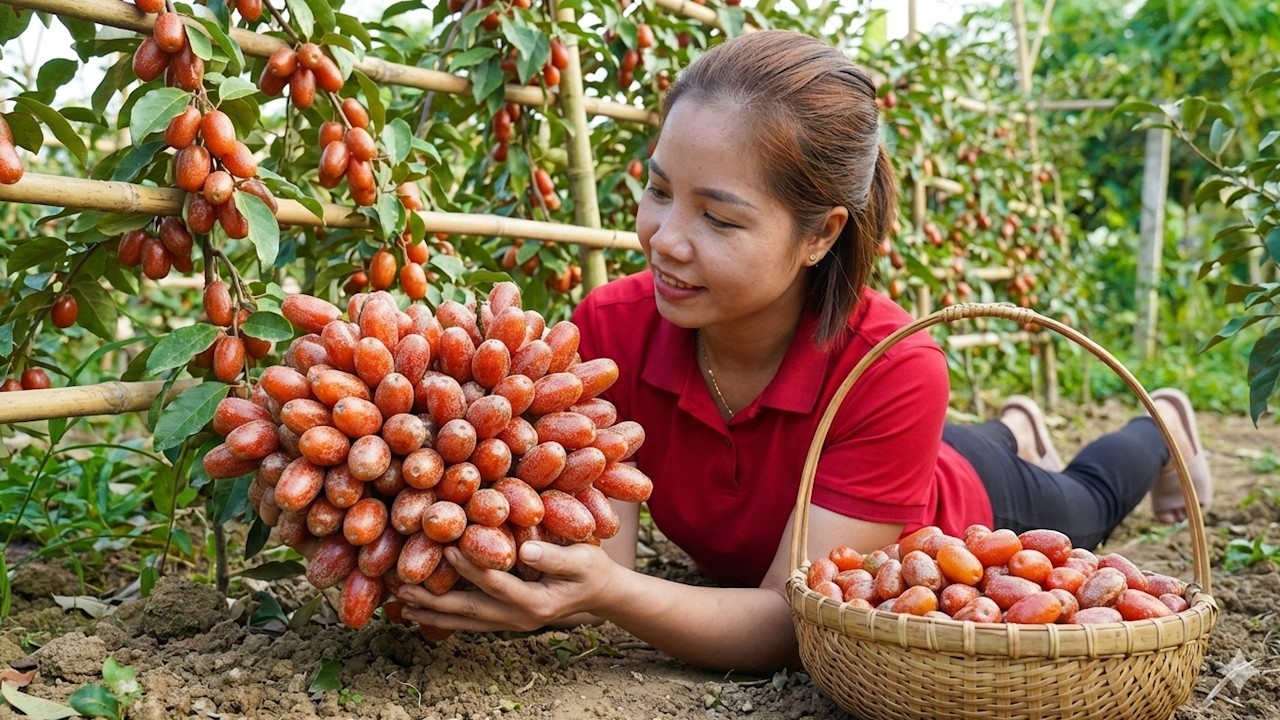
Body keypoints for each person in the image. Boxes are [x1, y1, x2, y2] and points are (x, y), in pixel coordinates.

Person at [398, 30, 1213, 673]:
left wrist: (608, 594)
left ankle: (1159, 425)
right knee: (983, 440)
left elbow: (795, 620)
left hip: (962, 510)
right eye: (657, 190)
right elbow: (595, 549)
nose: (664, 240)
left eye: (718, 219)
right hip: (879, 467)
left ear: (821, 233)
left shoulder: (892, 364)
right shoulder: (611, 333)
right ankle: (1010, 424)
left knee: (1088, 499)